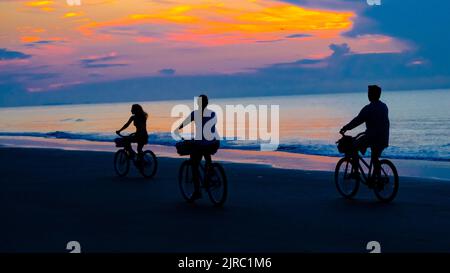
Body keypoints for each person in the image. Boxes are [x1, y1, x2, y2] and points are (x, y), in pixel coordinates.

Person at [340, 85, 390, 180]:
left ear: (372, 95)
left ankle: (355, 172)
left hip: (371, 137)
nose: (368, 95)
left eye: (369, 93)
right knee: (375, 158)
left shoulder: (368, 109)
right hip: (384, 138)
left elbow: (357, 120)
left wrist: (346, 128)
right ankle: (377, 178)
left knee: (353, 147)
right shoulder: (384, 107)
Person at [174, 94, 219, 200]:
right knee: (207, 152)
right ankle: (210, 171)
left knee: (194, 165)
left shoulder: (195, 114)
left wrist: (177, 129)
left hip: (202, 143)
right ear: (207, 103)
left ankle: (197, 191)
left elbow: (185, 123)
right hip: (215, 142)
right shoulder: (213, 113)